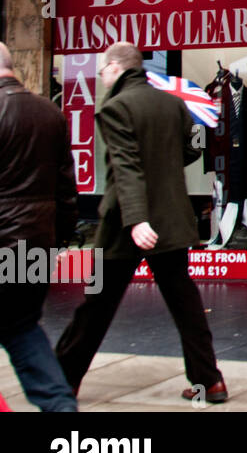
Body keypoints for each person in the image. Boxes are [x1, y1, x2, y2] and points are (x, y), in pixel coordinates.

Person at [55, 43, 228, 403]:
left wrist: (136, 219)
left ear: (117, 68)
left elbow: (126, 167)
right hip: (171, 219)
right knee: (185, 304)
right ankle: (210, 382)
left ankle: (63, 380)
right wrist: (162, 164)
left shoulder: (115, 107)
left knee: (96, 306)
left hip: (126, 223)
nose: (101, 76)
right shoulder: (172, 103)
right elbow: (192, 148)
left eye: (103, 69)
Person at [0, 42, 79, 411]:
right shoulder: (51, 113)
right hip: (35, 242)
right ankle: (61, 408)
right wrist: (60, 238)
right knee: (22, 327)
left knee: (20, 329)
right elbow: (66, 186)